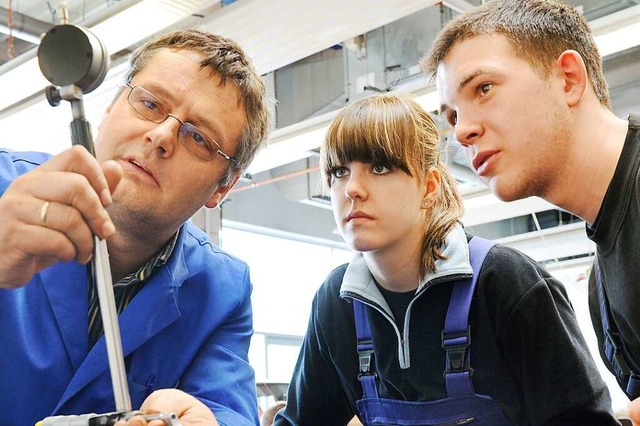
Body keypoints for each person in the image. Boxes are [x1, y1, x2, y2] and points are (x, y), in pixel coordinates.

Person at [273, 92, 618, 425]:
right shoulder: (336, 303)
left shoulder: (507, 284)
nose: (352, 189)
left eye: (379, 168)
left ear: (429, 187)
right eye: (338, 172)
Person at [0, 28, 270, 426]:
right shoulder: (6, 189)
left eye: (197, 137)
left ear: (223, 186)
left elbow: (229, 413)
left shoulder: (222, 289)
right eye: (149, 103)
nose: (161, 135)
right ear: (110, 107)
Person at [422, 0, 640, 421]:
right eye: (452, 115)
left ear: (568, 79)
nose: (462, 131)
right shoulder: (602, 285)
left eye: (483, 88)